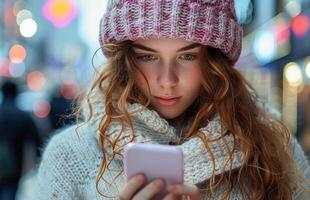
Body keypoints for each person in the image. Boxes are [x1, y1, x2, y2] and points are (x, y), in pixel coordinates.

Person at [33, 0, 310, 199]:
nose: (167, 80)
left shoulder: (275, 149)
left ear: (214, 61)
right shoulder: (71, 155)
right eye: (147, 56)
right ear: (124, 59)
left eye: (187, 56)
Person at [0, 80, 42, 200]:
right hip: (14, 164)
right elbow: (36, 140)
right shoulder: (22, 115)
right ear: (16, 93)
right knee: (10, 192)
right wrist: (37, 162)